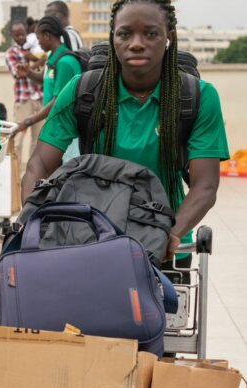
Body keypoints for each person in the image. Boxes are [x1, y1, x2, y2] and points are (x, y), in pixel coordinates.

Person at [20, 0, 228, 275]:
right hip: (87, 239)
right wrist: (35, 220)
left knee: (159, 318)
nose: (137, 43)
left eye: (151, 33)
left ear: (169, 37)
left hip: (164, 244)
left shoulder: (197, 97)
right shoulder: (83, 91)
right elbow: (40, 166)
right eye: (125, 33)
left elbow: (206, 185)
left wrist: (170, 233)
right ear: (113, 38)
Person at [13, 16, 82, 161]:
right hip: (56, 128)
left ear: (47, 35)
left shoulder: (65, 62)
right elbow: (46, 80)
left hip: (66, 132)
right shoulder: (53, 59)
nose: (37, 42)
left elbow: (58, 102)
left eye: (38, 38)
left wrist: (28, 121)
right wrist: (29, 73)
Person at [5, 20, 43, 170]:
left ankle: (33, 173)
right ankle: (15, 175)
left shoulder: (35, 48)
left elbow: (43, 70)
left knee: (38, 139)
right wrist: (35, 61)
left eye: (22, 33)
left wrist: (35, 58)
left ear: (26, 32)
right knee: (18, 139)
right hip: (23, 100)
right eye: (17, 35)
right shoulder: (11, 53)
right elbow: (18, 74)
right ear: (12, 36)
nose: (20, 37)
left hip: (39, 98)